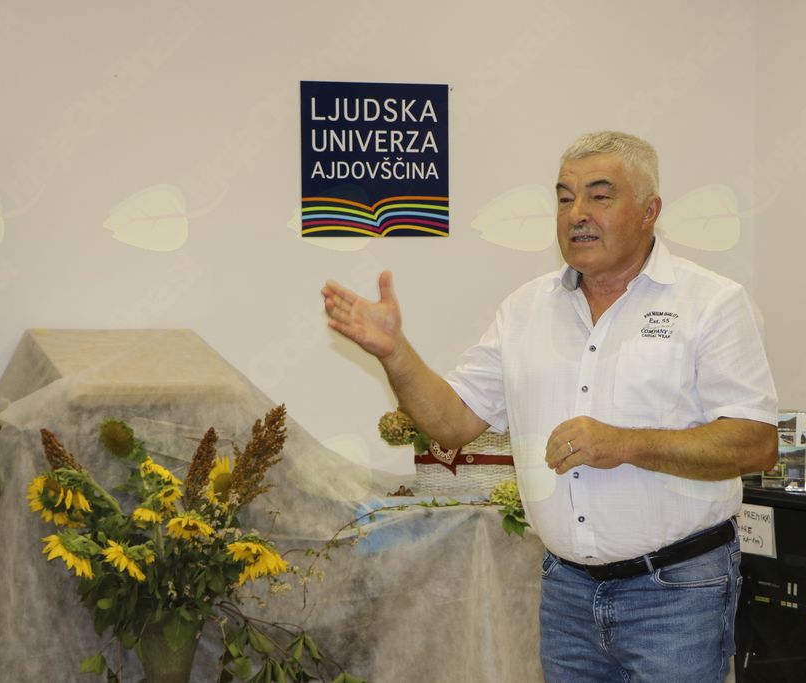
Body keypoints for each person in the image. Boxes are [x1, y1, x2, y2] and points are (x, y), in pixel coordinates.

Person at [322, 131, 778, 682]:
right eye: (564, 198)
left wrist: (626, 444)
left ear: (650, 211)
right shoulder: (525, 309)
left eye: (599, 196)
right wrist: (396, 354)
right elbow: (452, 422)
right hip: (567, 593)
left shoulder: (711, 303)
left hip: (677, 591)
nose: (577, 213)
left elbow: (756, 442)